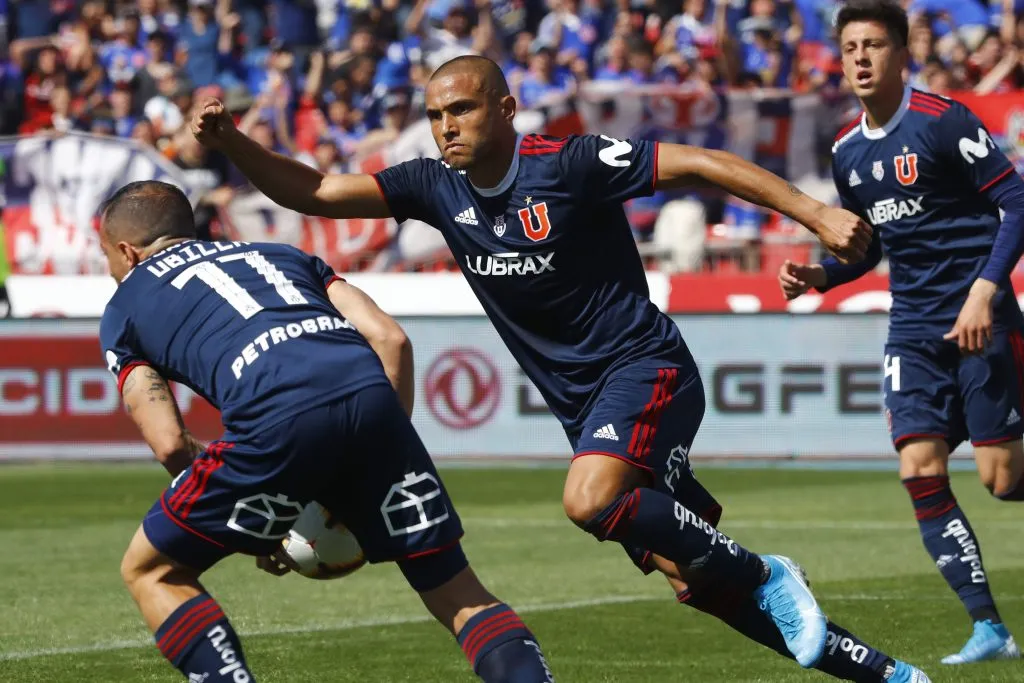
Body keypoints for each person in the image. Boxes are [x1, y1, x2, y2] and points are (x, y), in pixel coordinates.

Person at [192, 54, 929, 681]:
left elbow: (701, 162)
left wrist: (815, 214)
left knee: (588, 500)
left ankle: (765, 570)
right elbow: (316, 191)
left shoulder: (571, 164)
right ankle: (890, 674)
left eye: (462, 109)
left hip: (646, 367)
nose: (447, 126)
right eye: (436, 115)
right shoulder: (432, 186)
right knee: (692, 576)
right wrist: (233, 143)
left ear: (506, 109)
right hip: (583, 408)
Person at [99, 180, 555, 683]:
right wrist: (381, 452)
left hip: (275, 415)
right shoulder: (281, 255)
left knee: (152, 570)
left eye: (107, 259)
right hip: (369, 398)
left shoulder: (125, 305)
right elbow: (390, 339)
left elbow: (168, 442)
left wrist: (259, 524)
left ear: (127, 251)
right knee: (460, 593)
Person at [778, 0, 1024, 666]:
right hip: (912, 329)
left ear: (901, 54)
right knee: (918, 465)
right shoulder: (846, 152)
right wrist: (820, 276)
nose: (860, 58)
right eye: (850, 48)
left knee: (1004, 480)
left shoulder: (943, 121)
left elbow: (1016, 200)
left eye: (874, 45)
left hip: (980, 319)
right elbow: (869, 247)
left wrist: (984, 291)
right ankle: (989, 628)